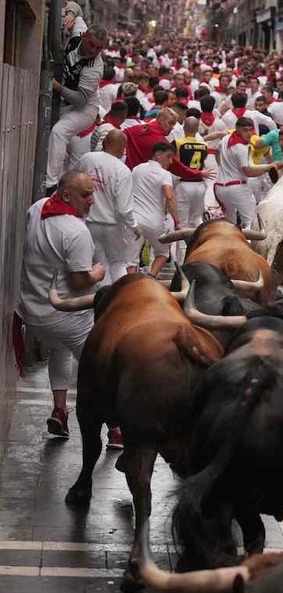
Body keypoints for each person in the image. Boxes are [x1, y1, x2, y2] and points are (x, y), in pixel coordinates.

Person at [16, 171, 114, 444]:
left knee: (59, 350)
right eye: (85, 195)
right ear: (66, 195)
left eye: (93, 193)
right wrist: (97, 273)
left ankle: (59, 410)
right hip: (67, 317)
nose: (92, 201)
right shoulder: (75, 231)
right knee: (99, 367)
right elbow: (80, 281)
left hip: (33, 313)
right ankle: (116, 426)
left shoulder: (36, 208)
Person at [45, 25, 108, 194]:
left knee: (59, 131)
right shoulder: (77, 34)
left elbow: (80, 100)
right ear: (85, 35)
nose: (94, 50)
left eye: (99, 48)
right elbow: (77, 12)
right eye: (91, 44)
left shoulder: (94, 68)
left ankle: (50, 185)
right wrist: (72, 10)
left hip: (85, 107)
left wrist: (58, 87)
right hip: (65, 100)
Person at [76, 130, 138, 284]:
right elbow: (124, 208)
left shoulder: (87, 159)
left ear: (104, 143)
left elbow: (72, 179)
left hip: (89, 223)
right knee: (117, 264)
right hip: (113, 227)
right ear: (123, 147)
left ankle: (103, 300)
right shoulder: (122, 170)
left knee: (99, 264)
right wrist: (134, 226)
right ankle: (122, 296)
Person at [215, 117, 281, 228]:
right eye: (245, 130)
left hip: (220, 188)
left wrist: (222, 167)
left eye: (251, 130)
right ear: (237, 129)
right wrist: (268, 168)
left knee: (229, 223)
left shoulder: (225, 139)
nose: (249, 133)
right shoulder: (241, 147)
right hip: (237, 188)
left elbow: (217, 151)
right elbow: (248, 172)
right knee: (251, 221)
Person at [129, 142, 179, 277]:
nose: (170, 161)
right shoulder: (164, 174)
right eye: (168, 157)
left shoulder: (137, 169)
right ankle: (151, 278)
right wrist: (177, 221)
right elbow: (170, 197)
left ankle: (130, 285)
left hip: (135, 220)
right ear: (157, 155)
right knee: (162, 253)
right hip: (155, 222)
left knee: (131, 259)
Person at [172, 116, 209, 234]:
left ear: (184, 128)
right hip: (200, 184)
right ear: (197, 129)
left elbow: (173, 163)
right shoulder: (204, 145)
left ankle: (182, 251)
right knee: (196, 219)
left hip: (184, 184)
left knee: (182, 222)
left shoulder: (178, 143)